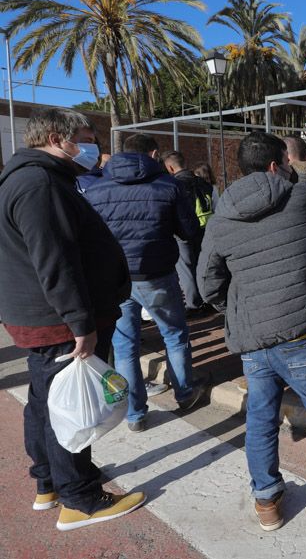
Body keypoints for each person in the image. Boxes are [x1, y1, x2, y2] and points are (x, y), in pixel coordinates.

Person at [198, 132, 306, 529]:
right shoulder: (302, 199)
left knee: (260, 418)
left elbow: (207, 284)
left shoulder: (222, 214)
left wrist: (236, 307)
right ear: (278, 165)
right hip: (302, 330)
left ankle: (267, 501)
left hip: (253, 336)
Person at [0, 107, 145, 530]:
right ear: (59, 138)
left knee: (47, 399)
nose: (93, 144)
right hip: (57, 319)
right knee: (69, 410)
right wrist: (80, 323)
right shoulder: (39, 184)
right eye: (86, 135)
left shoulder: (33, 179)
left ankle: (49, 482)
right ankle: (79, 498)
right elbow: (55, 261)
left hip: (43, 315)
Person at [85, 134, 204, 432]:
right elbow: (188, 229)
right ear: (152, 154)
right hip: (157, 274)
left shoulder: (95, 189)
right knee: (174, 334)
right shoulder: (167, 185)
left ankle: (135, 413)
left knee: (124, 346)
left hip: (116, 278)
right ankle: (185, 393)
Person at [163, 150, 216, 314]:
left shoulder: (173, 185)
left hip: (183, 233)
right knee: (205, 266)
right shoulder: (205, 183)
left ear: (170, 168)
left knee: (186, 269)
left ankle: (194, 303)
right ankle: (210, 299)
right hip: (206, 229)